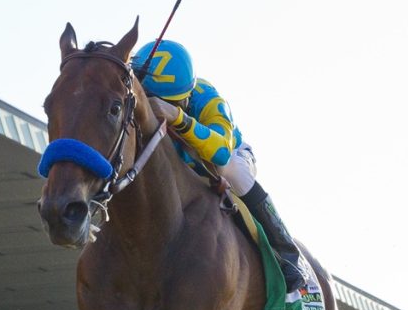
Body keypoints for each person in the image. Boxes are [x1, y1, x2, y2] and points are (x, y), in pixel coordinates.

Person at [132, 40, 308, 294]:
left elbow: (221, 153)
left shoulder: (208, 98)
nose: (155, 108)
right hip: (181, 170)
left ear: (186, 96)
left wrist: (177, 117)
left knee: (232, 169)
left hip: (229, 157)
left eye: (168, 102)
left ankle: (286, 252)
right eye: (149, 100)